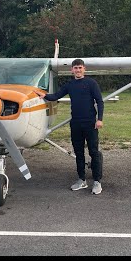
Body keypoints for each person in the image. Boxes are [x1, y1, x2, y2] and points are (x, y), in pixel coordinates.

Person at [40, 59, 105, 195]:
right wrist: (43, 95)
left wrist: (99, 119)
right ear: (72, 70)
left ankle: (97, 181)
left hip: (90, 123)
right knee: (78, 152)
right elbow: (56, 96)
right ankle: (81, 179)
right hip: (75, 123)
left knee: (93, 151)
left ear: (84, 69)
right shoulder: (70, 85)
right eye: (75, 68)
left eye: (80, 68)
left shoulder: (91, 83)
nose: (78, 70)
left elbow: (99, 101)